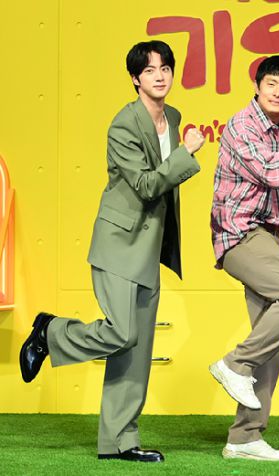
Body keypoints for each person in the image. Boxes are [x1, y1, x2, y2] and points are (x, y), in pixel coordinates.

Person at [19, 40, 204, 463]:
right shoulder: (123, 125)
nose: (159, 75)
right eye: (150, 70)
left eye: (165, 68)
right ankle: (50, 332)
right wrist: (186, 153)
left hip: (150, 245)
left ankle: (120, 441)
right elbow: (146, 185)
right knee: (122, 333)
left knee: (136, 351)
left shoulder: (173, 118)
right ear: (135, 79)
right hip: (119, 243)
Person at [208, 55, 279, 461]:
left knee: (271, 342)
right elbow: (273, 174)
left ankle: (244, 438)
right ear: (257, 87)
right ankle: (234, 363)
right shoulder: (242, 125)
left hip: (268, 238)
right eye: (271, 84)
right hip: (240, 235)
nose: (278, 92)